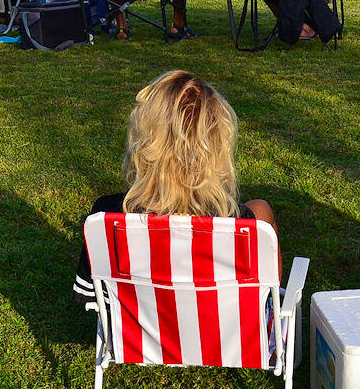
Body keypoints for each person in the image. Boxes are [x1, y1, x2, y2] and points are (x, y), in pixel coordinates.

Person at [73, 70, 281, 304]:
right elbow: (258, 297)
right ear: (217, 147)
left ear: (145, 142)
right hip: (227, 338)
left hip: (138, 339)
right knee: (261, 211)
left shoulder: (107, 216)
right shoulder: (237, 224)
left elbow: (89, 296)